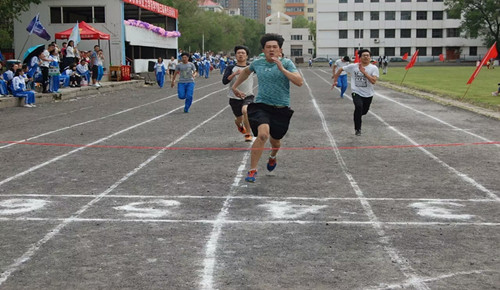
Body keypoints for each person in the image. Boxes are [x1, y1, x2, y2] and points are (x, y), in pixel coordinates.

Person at [232, 33, 303, 183]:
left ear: (280, 50)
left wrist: (282, 69)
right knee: (263, 135)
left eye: (274, 47)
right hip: (262, 106)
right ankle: (252, 170)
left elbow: (299, 82)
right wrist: (235, 86)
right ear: (263, 50)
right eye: (268, 47)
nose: (271, 50)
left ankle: (272, 156)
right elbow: (245, 71)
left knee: (275, 142)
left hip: (281, 108)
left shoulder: (287, 63)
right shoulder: (258, 63)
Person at [333, 49, 379, 136]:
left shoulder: (374, 68)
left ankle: (356, 116)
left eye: (367, 55)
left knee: (364, 111)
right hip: (356, 91)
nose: (366, 57)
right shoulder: (353, 66)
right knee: (358, 106)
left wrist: (363, 72)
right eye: (364, 55)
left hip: (368, 93)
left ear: (370, 57)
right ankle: (358, 129)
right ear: (360, 57)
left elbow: (373, 81)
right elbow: (340, 69)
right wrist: (335, 81)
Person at [222, 45, 254, 142]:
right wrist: (234, 74)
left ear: (247, 56)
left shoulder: (251, 67)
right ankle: (239, 124)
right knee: (239, 119)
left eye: (243, 53)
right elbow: (224, 81)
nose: (240, 55)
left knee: (246, 111)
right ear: (235, 55)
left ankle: (248, 134)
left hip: (248, 95)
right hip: (234, 97)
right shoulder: (231, 67)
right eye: (238, 53)